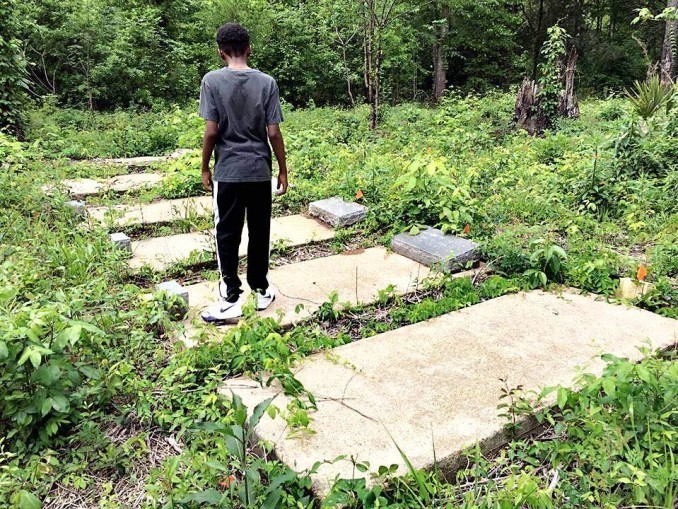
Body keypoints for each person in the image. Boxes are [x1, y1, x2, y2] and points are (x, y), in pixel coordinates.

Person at [198, 23, 288, 323]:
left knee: (227, 232)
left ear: (220, 52)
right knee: (260, 230)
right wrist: (283, 171)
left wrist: (205, 166)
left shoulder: (211, 81)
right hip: (260, 171)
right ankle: (261, 290)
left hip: (229, 173)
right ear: (249, 48)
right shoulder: (267, 83)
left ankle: (231, 297)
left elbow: (211, 131)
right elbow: (273, 133)